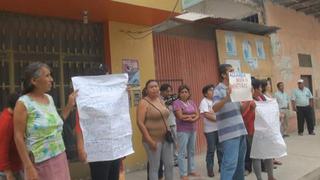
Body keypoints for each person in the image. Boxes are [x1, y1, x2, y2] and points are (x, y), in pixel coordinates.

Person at [14, 62, 78, 180]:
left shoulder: (49, 98)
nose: (51, 79)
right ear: (34, 80)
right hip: (41, 162)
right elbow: (18, 137)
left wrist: (69, 105)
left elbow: (57, 123)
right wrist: (28, 167)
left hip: (60, 156)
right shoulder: (23, 103)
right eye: (47, 76)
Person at [212, 64, 247, 180]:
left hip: (241, 130)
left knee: (240, 164)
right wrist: (227, 98)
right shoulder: (218, 89)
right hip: (229, 133)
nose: (234, 72)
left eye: (234, 70)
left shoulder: (236, 88)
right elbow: (214, 108)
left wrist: (248, 99)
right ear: (223, 75)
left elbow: (240, 110)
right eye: (230, 71)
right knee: (229, 164)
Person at [137, 80, 174, 180]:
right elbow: (140, 123)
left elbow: (165, 116)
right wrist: (149, 140)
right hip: (153, 139)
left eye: (156, 86)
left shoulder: (160, 100)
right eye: (151, 87)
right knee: (155, 168)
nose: (154, 88)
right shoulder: (143, 102)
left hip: (166, 138)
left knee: (169, 165)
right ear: (147, 90)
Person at [173, 85, 200, 180]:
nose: (184, 94)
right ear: (179, 94)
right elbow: (180, 116)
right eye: (182, 92)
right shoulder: (177, 103)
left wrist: (191, 117)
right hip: (182, 131)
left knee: (191, 151)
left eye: (186, 92)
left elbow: (198, 114)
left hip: (193, 129)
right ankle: (183, 174)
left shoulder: (191, 102)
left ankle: (191, 170)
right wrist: (191, 117)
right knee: (182, 152)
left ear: (189, 93)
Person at [251, 79, 277, 180]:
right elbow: (246, 116)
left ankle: (270, 176)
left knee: (268, 152)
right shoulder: (249, 100)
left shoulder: (262, 97)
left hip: (265, 129)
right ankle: (259, 178)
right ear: (255, 89)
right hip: (253, 130)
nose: (262, 89)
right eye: (260, 87)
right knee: (256, 155)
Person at [199, 84, 222, 177]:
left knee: (221, 149)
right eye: (210, 90)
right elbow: (207, 115)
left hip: (219, 129)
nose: (213, 91)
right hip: (210, 131)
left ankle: (221, 167)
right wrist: (219, 119)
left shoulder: (216, 101)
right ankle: (210, 169)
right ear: (205, 93)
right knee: (211, 150)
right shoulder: (204, 102)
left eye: (213, 90)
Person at [0, 93, 22, 180]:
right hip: (8, 171)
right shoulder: (7, 121)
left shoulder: (12, 117)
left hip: (15, 167)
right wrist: (8, 172)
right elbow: (2, 148)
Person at [160, 83, 178, 166]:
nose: (169, 93)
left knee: (175, 141)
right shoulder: (159, 100)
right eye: (167, 91)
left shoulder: (172, 99)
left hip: (172, 122)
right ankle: (164, 162)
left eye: (170, 91)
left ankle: (175, 159)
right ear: (162, 92)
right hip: (163, 125)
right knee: (165, 144)